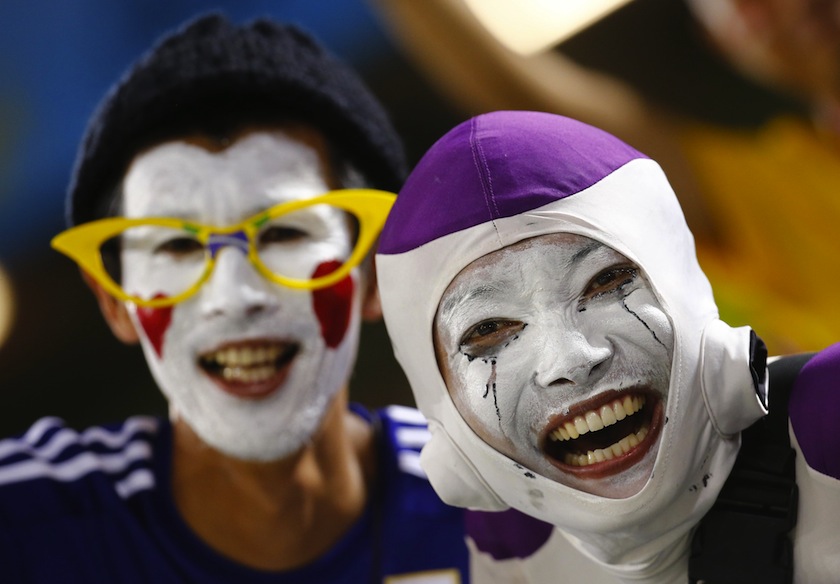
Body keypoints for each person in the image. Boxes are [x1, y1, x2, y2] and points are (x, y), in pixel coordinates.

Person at [0, 13, 469, 583]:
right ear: (114, 303)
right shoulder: (25, 521)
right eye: (176, 246)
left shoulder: (500, 503)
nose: (234, 297)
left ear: (372, 271)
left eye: (283, 234)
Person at [376, 110, 840, 582]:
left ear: (684, 289)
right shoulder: (508, 549)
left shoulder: (830, 416)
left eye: (606, 281)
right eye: (490, 328)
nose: (571, 360)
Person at [370, 0, 840, 355]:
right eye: (749, 3)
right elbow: (526, 97)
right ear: (727, 43)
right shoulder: (770, 188)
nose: (793, 4)